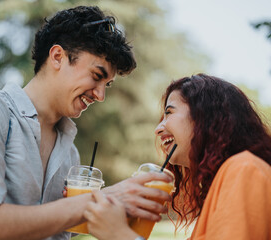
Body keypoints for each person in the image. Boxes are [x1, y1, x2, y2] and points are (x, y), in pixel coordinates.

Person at [0, 5, 173, 240]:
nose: (100, 96)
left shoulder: (70, 152)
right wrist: (104, 198)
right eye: (97, 76)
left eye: (106, 85)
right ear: (58, 57)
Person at [84, 73, 271, 240]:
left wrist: (119, 235)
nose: (158, 129)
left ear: (204, 116)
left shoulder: (245, 170)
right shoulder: (223, 182)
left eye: (169, 113)